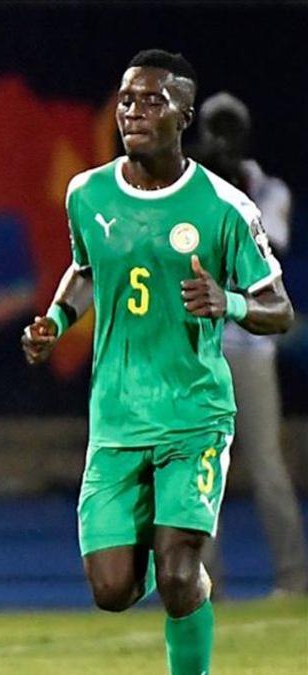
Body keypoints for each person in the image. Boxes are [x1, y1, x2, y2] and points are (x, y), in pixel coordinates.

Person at [22, 49, 293, 674]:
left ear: (184, 114)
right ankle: (162, 551)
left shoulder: (225, 206)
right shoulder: (87, 194)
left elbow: (278, 308)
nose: (134, 111)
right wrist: (56, 320)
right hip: (116, 420)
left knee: (177, 574)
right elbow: (86, 270)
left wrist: (225, 301)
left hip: (194, 416)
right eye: (126, 99)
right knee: (112, 591)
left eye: (152, 100)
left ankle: (184, 585)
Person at [190, 91, 307, 597]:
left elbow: (266, 253)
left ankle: (294, 579)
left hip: (250, 349)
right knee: (198, 471)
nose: (221, 139)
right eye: (213, 128)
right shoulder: (188, 184)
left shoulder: (269, 189)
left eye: (228, 128)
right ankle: (203, 583)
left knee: (266, 468)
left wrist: (233, 194)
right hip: (200, 348)